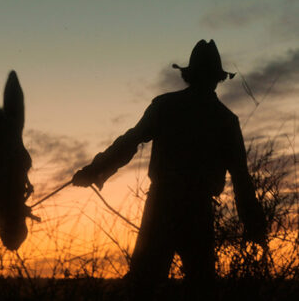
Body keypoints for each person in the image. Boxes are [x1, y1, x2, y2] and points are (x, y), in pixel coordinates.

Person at [71, 39, 266, 299]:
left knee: (143, 285)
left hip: (162, 207)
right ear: (217, 78)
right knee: (201, 287)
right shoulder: (225, 120)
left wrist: (94, 171)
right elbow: (241, 177)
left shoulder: (166, 107)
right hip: (198, 212)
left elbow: (131, 140)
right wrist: (253, 224)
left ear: (190, 75)